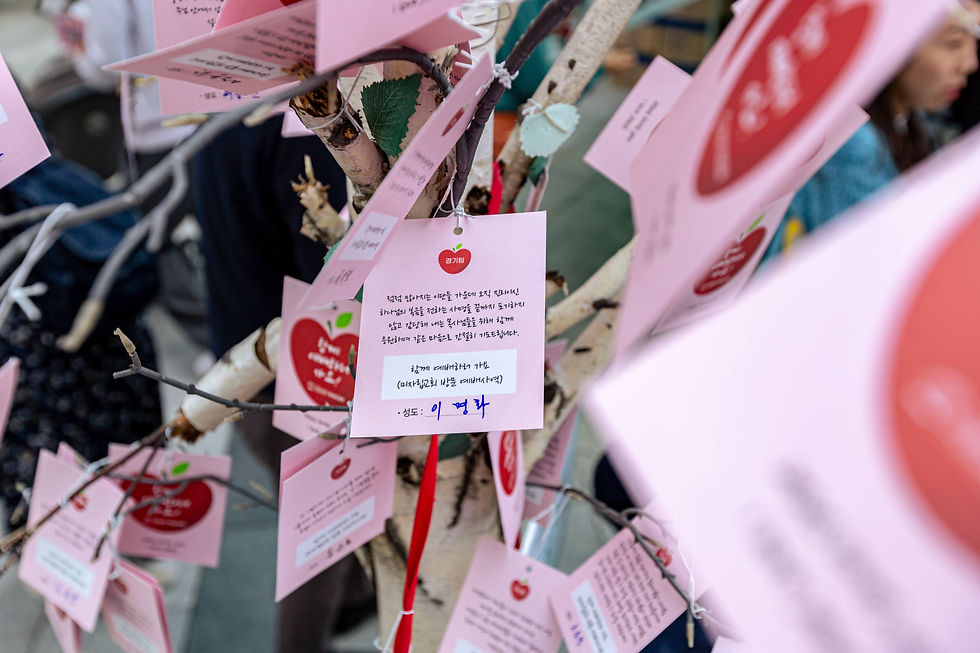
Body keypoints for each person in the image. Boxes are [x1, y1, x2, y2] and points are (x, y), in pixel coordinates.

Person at [764, 1, 980, 258]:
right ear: (898, 41)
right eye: (953, 43)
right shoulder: (856, 145)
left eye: (975, 44)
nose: (970, 63)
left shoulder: (909, 124)